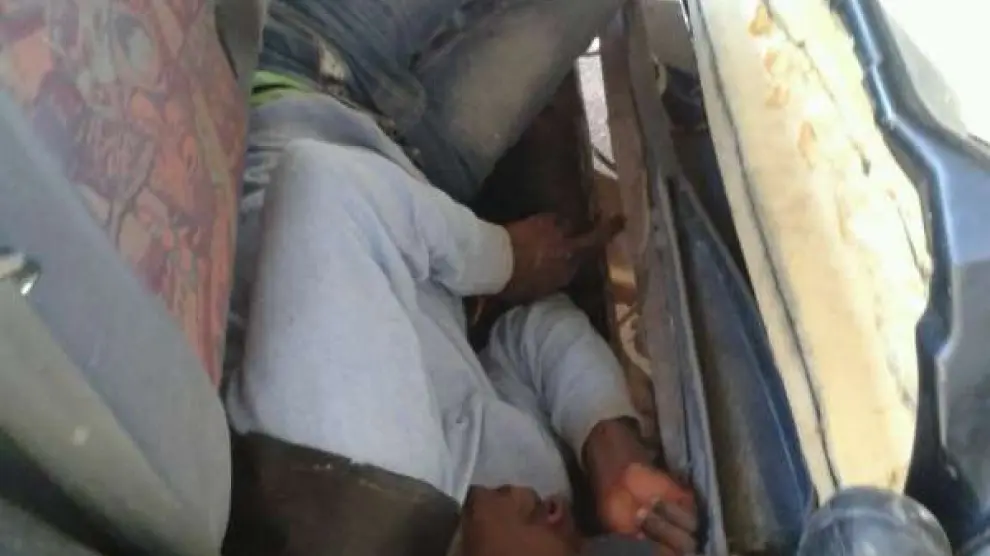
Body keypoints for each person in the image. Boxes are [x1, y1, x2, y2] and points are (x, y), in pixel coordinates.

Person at [224, 0, 702, 554]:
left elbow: (324, 182)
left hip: (298, 79)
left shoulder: (352, 484)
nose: (562, 515)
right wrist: (606, 439)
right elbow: (530, 333)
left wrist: (506, 261)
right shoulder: (527, 501)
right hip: (420, 176)